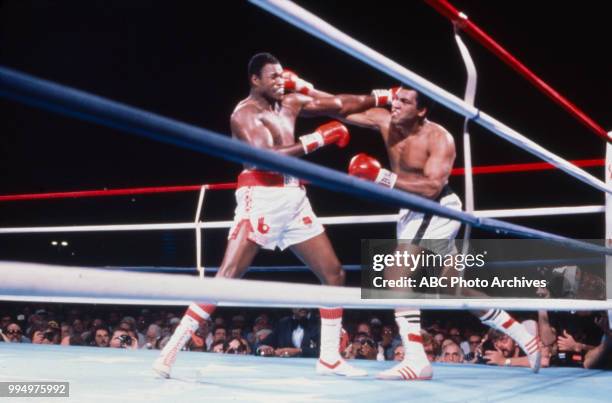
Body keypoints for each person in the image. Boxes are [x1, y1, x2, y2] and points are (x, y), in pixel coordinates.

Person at [154, 52, 378, 378]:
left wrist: (381, 96)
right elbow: (267, 160)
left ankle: (329, 358)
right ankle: (170, 350)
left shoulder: (289, 103)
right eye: (272, 76)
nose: (279, 81)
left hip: (294, 197)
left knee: (334, 274)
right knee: (227, 278)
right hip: (261, 197)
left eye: (280, 75)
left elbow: (339, 104)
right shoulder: (244, 115)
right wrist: (318, 138)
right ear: (255, 80)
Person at [340, 86, 541, 380]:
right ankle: (521, 332)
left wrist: (382, 176)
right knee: (452, 286)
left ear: (421, 110)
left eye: (404, 101)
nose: (396, 105)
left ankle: (417, 359)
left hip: (434, 208)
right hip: (413, 212)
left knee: (396, 274)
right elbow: (339, 107)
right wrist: (303, 92)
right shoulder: (385, 120)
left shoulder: (438, 137)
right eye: (395, 99)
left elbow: (433, 187)